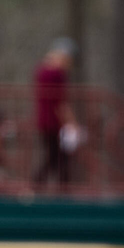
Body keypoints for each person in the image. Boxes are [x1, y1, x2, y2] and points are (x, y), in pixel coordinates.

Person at [32, 38, 76, 188]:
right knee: (58, 157)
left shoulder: (41, 70)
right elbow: (61, 102)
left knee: (54, 156)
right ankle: (48, 186)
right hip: (55, 122)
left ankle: (40, 185)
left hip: (43, 120)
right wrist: (71, 122)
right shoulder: (57, 74)